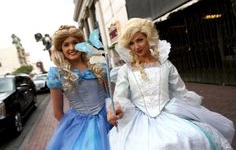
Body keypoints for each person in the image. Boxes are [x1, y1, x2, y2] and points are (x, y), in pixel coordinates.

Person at [107, 18, 235, 150]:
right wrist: (117, 110)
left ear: (148, 38)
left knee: (193, 137)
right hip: (138, 120)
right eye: (131, 43)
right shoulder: (126, 70)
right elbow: (120, 98)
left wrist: (193, 108)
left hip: (169, 113)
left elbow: (181, 92)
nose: (136, 46)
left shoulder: (166, 65)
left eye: (139, 40)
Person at [45, 25, 111, 150]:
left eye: (75, 43)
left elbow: (110, 95)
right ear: (61, 48)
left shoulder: (98, 66)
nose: (71, 48)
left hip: (108, 118)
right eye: (66, 45)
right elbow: (57, 112)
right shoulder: (57, 73)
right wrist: (72, 129)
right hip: (79, 125)